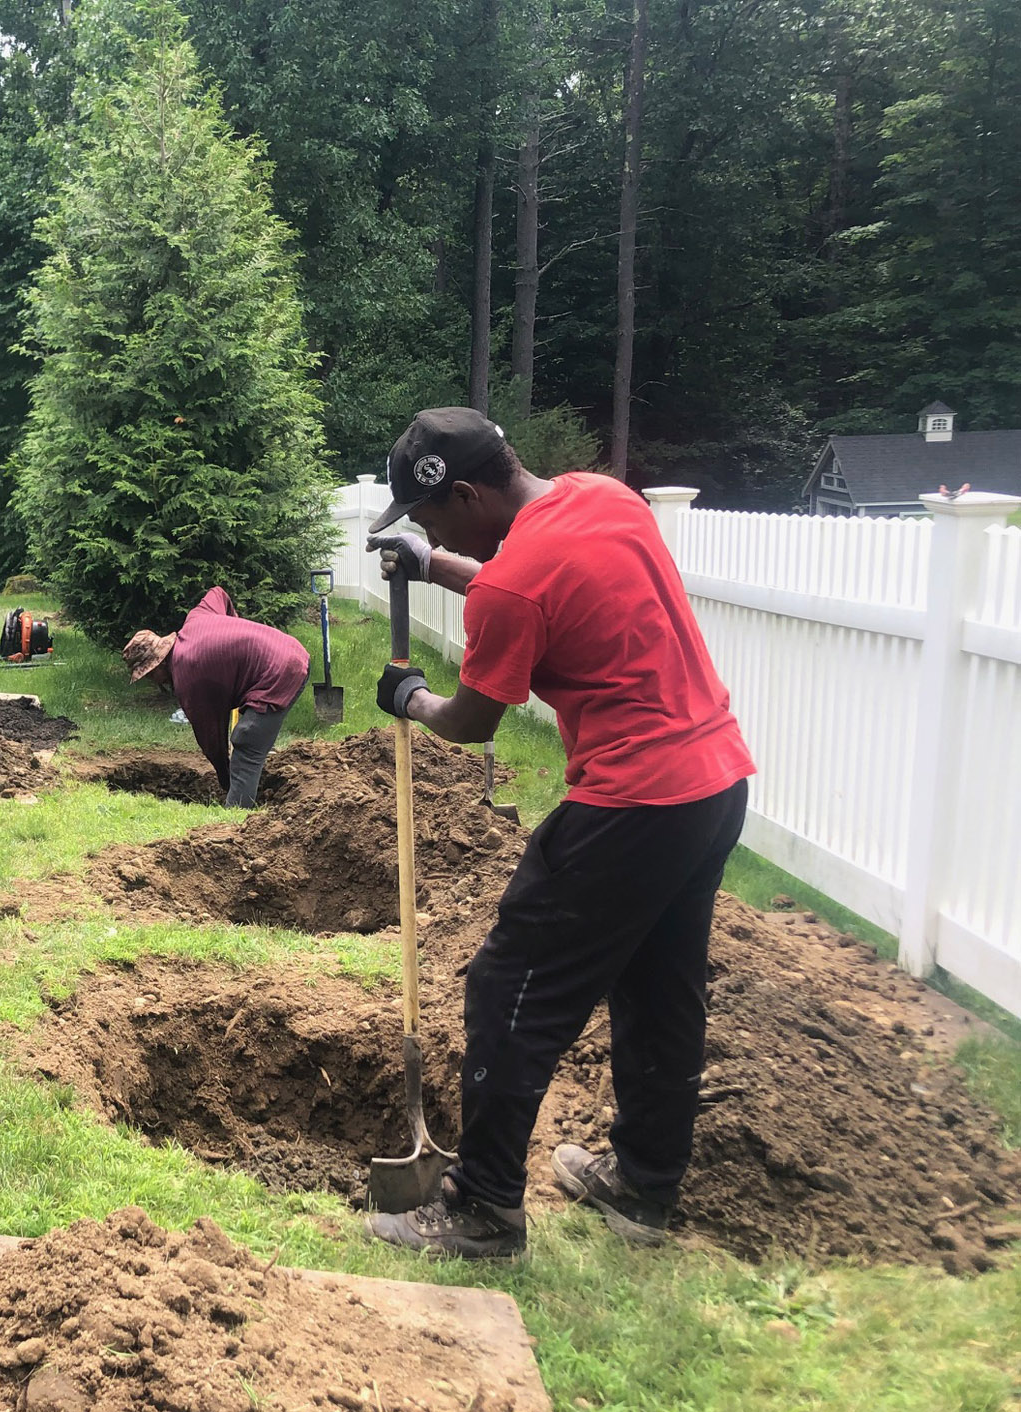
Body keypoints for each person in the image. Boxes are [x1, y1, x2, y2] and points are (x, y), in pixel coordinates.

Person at [359, 407, 754, 1259]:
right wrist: (438, 566)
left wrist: (412, 700)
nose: (424, 528)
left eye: (428, 518)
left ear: (464, 492)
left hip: (632, 804)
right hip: (715, 784)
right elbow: (540, 578)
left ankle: (484, 1206)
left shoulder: (512, 587)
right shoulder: (605, 498)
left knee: (510, 987)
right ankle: (645, 1182)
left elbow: (472, 720)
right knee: (660, 986)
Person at [121, 587, 310, 808]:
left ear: (157, 666)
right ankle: (249, 791)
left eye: (150, 675)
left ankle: (237, 819)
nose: (155, 681)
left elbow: (211, 738)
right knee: (251, 737)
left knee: (247, 743)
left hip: (282, 670)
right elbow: (218, 593)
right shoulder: (195, 620)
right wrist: (233, 631)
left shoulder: (187, 677)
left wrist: (225, 776)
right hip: (287, 649)